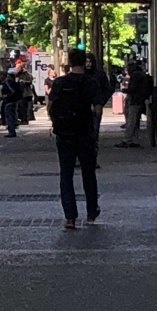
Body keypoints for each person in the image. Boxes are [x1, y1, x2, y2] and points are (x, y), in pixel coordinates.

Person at [48, 48, 102, 229]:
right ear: (84, 62)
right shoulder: (91, 82)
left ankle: (70, 217)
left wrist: (58, 121)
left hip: (64, 134)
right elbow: (98, 108)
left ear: (69, 62)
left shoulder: (59, 83)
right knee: (88, 173)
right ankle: (91, 212)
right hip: (84, 133)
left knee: (66, 175)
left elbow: (50, 106)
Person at [84, 53, 114, 167]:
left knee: (94, 134)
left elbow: (107, 90)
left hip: (96, 109)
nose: (88, 64)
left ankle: (92, 158)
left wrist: (99, 103)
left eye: (90, 62)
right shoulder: (81, 74)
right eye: (86, 62)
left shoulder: (99, 74)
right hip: (82, 109)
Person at [118, 62, 153, 147]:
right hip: (140, 100)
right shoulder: (141, 75)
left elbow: (132, 88)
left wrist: (125, 90)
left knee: (131, 121)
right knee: (135, 121)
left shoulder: (135, 75)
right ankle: (134, 140)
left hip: (135, 100)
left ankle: (128, 140)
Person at [1, 67, 22, 138]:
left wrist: (7, 96)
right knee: (11, 115)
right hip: (13, 100)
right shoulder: (13, 82)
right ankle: (12, 129)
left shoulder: (7, 82)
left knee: (9, 116)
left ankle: (11, 131)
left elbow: (12, 91)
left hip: (9, 100)